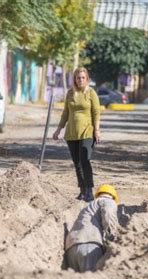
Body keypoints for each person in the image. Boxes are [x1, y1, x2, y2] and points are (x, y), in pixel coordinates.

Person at [53, 67, 100, 202]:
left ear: (86, 79)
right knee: (77, 163)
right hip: (72, 133)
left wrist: (97, 129)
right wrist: (58, 130)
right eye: (78, 78)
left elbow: (96, 113)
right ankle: (82, 191)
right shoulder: (70, 93)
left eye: (83, 78)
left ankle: (89, 191)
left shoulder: (91, 93)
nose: (80, 80)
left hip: (87, 131)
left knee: (85, 160)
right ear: (75, 79)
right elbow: (65, 113)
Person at [65, 184, 119, 272]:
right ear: (113, 196)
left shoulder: (88, 206)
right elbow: (108, 216)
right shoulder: (108, 201)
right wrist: (113, 239)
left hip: (71, 247)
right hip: (89, 245)